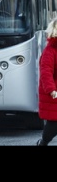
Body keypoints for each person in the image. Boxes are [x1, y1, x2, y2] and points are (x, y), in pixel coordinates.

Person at [37, 18, 57, 146]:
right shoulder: (50, 50)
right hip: (54, 93)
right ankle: (43, 142)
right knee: (54, 123)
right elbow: (46, 72)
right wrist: (51, 89)